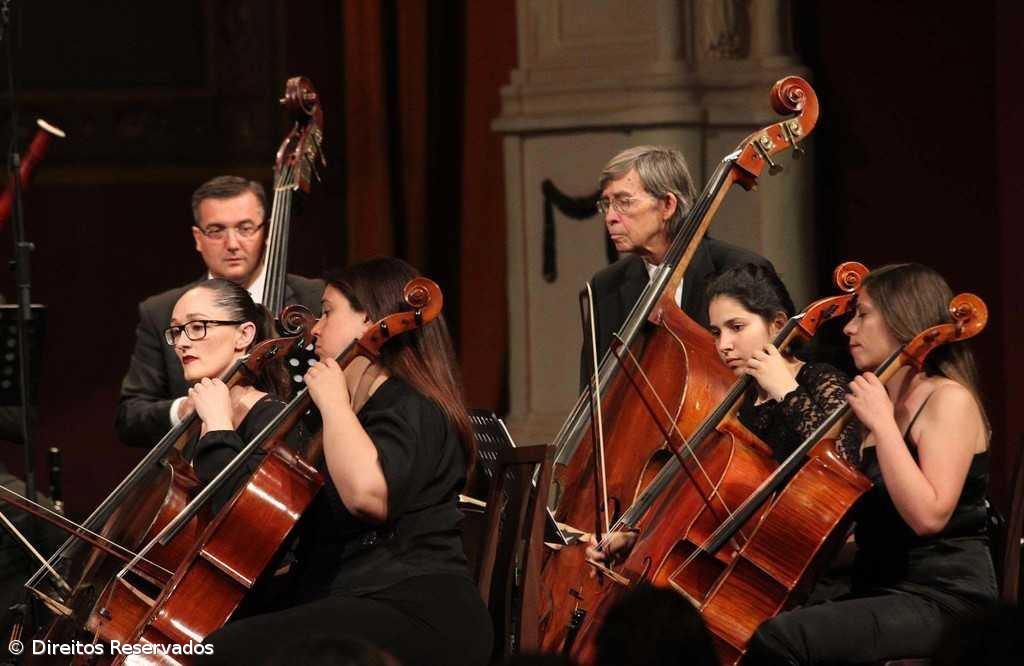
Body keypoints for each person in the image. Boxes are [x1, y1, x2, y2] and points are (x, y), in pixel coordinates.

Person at [199, 258, 493, 666]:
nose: (315, 328)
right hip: (355, 598)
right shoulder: (351, 418)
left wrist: (336, 404)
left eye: (328, 311)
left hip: (415, 608)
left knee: (223, 653)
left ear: (368, 320)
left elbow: (368, 496)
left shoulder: (413, 406)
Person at [745, 263, 997, 664]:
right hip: (882, 585)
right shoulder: (880, 402)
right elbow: (876, 529)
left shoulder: (947, 400)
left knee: (784, 639)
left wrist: (881, 422)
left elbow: (928, 517)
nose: (848, 328)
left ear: (902, 319)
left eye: (862, 314)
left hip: (944, 596)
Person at [587, 262, 857, 561]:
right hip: (746, 558)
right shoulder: (739, 402)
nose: (724, 345)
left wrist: (786, 392)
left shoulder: (821, 379)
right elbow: (700, 500)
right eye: (716, 332)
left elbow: (844, 465)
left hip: (811, 561)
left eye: (737, 327)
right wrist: (637, 538)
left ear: (778, 325)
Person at [116, 175, 322, 448]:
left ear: (268, 232)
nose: (233, 243)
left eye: (245, 228)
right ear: (198, 238)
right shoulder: (161, 311)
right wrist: (184, 409)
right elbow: (129, 417)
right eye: (216, 230)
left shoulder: (316, 299)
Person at [582, 145, 773, 388]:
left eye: (623, 202)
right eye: (606, 204)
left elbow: (771, 372)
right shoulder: (606, 285)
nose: (610, 216)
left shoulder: (741, 270)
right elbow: (594, 398)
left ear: (667, 206)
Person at [166, 278, 291, 503]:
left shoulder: (274, 418)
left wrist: (218, 425)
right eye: (176, 331)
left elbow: (254, 514)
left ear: (243, 335)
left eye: (197, 327)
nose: (181, 343)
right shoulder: (198, 418)